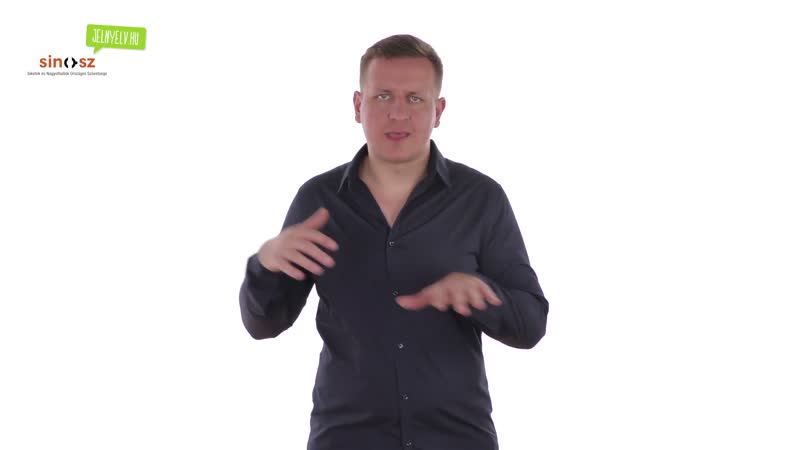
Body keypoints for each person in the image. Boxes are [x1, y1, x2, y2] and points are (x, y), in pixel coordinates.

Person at [238, 34, 549, 450]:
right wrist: (266, 264)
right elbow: (264, 324)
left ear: (439, 111)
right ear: (357, 106)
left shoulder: (481, 199)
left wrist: (482, 296)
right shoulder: (318, 201)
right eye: (383, 96)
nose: (398, 113)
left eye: (415, 99)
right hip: (346, 438)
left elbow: (531, 325)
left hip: (457, 438)